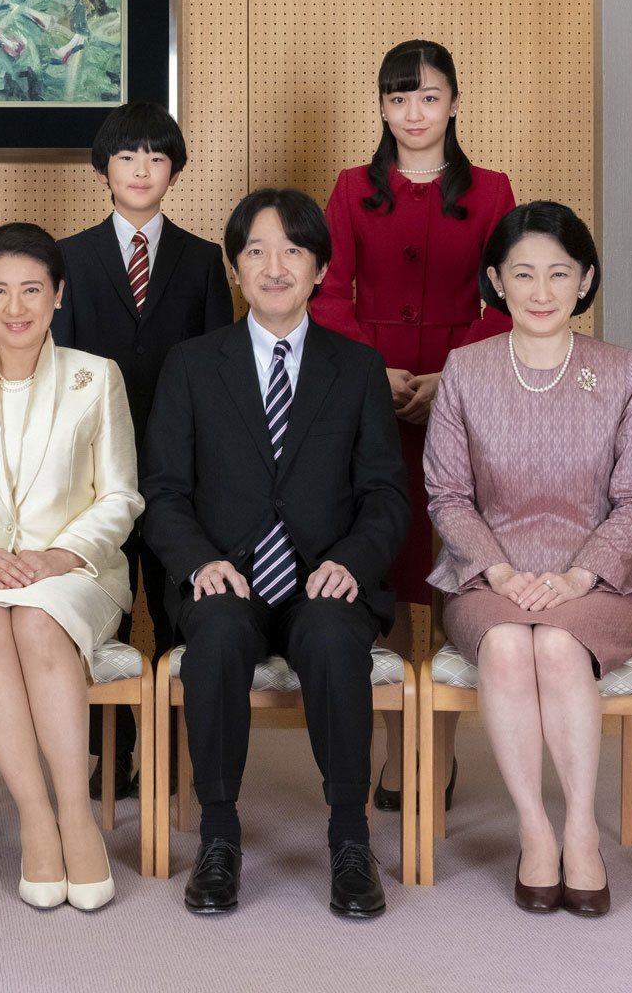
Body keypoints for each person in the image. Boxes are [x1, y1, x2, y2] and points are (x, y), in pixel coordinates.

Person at [141, 189, 408, 918]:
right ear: (235, 269)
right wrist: (199, 562)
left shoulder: (357, 369)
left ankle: (350, 839)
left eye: (293, 250)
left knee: (328, 636)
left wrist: (352, 562)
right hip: (227, 571)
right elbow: (162, 491)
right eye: (256, 250)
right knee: (219, 631)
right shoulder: (193, 364)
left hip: (327, 576)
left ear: (321, 268)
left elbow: (387, 496)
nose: (274, 265)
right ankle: (219, 837)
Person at [425, 201, 632, 918]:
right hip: (486, 575)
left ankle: (581, 830)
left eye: (559, 273)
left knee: (557, 645)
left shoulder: (619, 373)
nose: (541, 290)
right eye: (522, 273)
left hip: (601, 580)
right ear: (496, 279)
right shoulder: (465, 371)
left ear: (585, 280)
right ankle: (535, 831)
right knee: (505, 650)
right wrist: (501, 572)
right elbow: (447, 493)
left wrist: (575, 576)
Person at [312, 39, 517, 815]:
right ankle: (399, 749)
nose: (414, 113)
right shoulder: (351, 189)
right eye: (399, 99)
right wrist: (377, 373)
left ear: (455, 103)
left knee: (462, 565)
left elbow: (505, 296)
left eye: (429, 97)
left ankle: (444, 748)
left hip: (469, 389)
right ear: (383, 108)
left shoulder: (492, 190)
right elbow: (325, 294)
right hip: (372, 393)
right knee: (389, 569)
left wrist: (450, 377)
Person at [0, 223, 144, 911]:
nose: (15, 308)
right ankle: (37, 820)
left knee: (40, 626)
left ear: (57, 296)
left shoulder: (95, 376)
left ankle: (76, 815)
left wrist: (57, 555)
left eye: (31, 291)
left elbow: (121, 494)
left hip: (77, 570)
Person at [51, 100, 233, 801]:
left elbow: (219, 371)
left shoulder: (202, 259)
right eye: (127, 157)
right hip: (96, 468)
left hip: (177, 467)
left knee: (179, 601)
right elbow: (61, 365)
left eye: (157, 158)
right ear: (103, 169)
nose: (141, 169)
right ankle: (112, 752)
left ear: (175, 172)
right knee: (108, 609)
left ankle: (174, 753)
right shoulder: (67, 257)